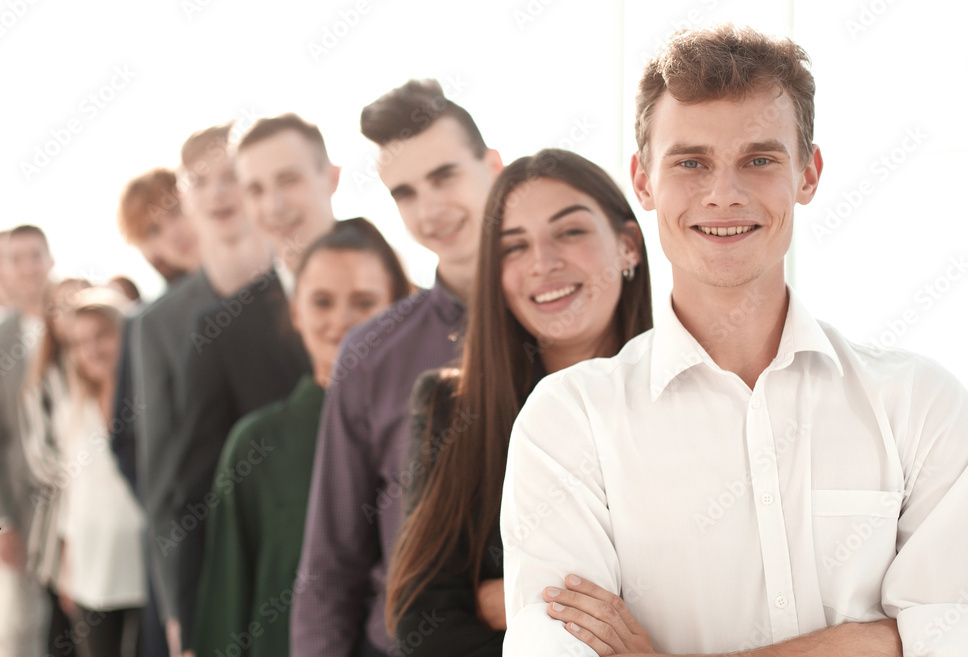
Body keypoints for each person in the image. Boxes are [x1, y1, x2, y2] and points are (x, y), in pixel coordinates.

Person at [500, 23, 968, 657]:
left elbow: (954, 635)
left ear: (808, 174)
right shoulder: (568, 422)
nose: (724, 193)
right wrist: (874, 640)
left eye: (760, 159)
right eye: (691, 162)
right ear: (643, 182)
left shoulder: (922, 404)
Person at [387, 149, 653, 656]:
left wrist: (515, 602)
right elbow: (423, 623)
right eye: (514, 247)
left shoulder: (697, 393)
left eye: (570, 232)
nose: (543, 263)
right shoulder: (451, 408)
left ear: (628, 246)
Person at [291, 79, 502, 657]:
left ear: (493, 166)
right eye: (404, 192)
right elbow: (331, 561)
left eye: (445, 176)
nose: (429, 209)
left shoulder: (564, 321)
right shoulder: (368, 354)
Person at [193, 217, 414, 657]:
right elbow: (228, 597)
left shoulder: (430, 429)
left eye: (364, 301)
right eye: (322, 302)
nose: (343, 322)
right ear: (296, 311)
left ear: (398, 309)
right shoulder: (256, 443)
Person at [169, 113, 337, 651]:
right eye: (256, 189)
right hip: (282, 606)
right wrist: (193, 628)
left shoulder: (405, 300)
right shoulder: (224, 333)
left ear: (330, 177)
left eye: (288, 181)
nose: (274, 206)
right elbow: (193, 491)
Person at [131, 123, 273, 656]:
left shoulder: (312, 289)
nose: (217, 193)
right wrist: (178, 616)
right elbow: (164, 486)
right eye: (199, 181)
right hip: (222, 569)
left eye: (231, 176)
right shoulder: (159, 324)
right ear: (185, 197)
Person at [113, 165, 203, 657]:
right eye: (153, 230)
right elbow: (124, 439)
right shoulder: (146, 323)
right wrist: (171, 506)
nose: (174, 233)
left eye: (174, 213)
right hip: (182, 536)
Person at [0, 224, 55, 657]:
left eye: (34, 255)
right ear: (2, 269)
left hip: (74, 505)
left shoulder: (72, 321)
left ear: (50, 259)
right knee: (12, 630)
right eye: (15, 258)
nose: (26, 267)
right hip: (19, 511)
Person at [58, 287, 145, 657]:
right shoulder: (72, 409)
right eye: (79, 343)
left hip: (143, 561)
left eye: (101, 336)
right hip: (92, 565)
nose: (91, 351)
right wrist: (67, 562)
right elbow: (71, 492)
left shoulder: (149, 400)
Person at [19, 277, 91, 657]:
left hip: (107, 521)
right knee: (65, 630)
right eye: (60, 307)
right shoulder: (41, 380)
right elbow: (41, 458)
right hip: (60, 526)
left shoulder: (107, 366)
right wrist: (88, 474)